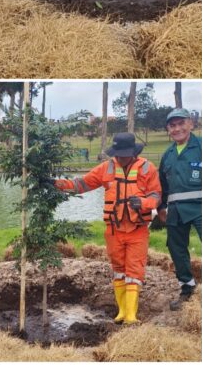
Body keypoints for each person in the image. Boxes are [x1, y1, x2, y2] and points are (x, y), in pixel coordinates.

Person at [55, 133, 161, 324]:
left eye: (124, 154)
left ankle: (131, 315)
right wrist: (59, 184)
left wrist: (144, 203)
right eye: (117, 154)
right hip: (114, 230)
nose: (120, 158)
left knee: (135, 270)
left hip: (137, 230)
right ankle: (122, 312)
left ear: (133, 153)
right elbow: (82, 184)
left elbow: (156, 196)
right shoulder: (107, 167)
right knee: (119, 269)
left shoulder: (147, 168)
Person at [157, 109, 202, 310]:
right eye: (172, 125)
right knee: (176, 248)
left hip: (200, 207)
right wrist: (160, 207)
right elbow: (161, 186)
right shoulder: (167, 155)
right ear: (168, 129)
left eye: (180, 124)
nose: (177, 129)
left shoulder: (200, 146)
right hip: (175, 209)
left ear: (190, 124)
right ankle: (187, 288)